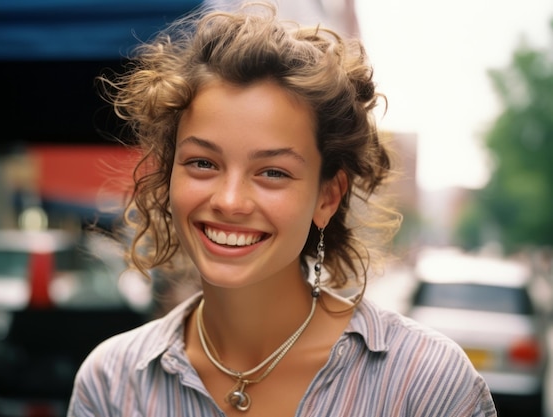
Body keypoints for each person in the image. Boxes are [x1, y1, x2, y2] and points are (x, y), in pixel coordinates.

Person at [68, 2, 497, 416]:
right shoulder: (112, 382)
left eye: (272, 172)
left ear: (327, 197)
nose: (229, 200)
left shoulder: (427, 386)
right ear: (169, 176)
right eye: (203, 163)